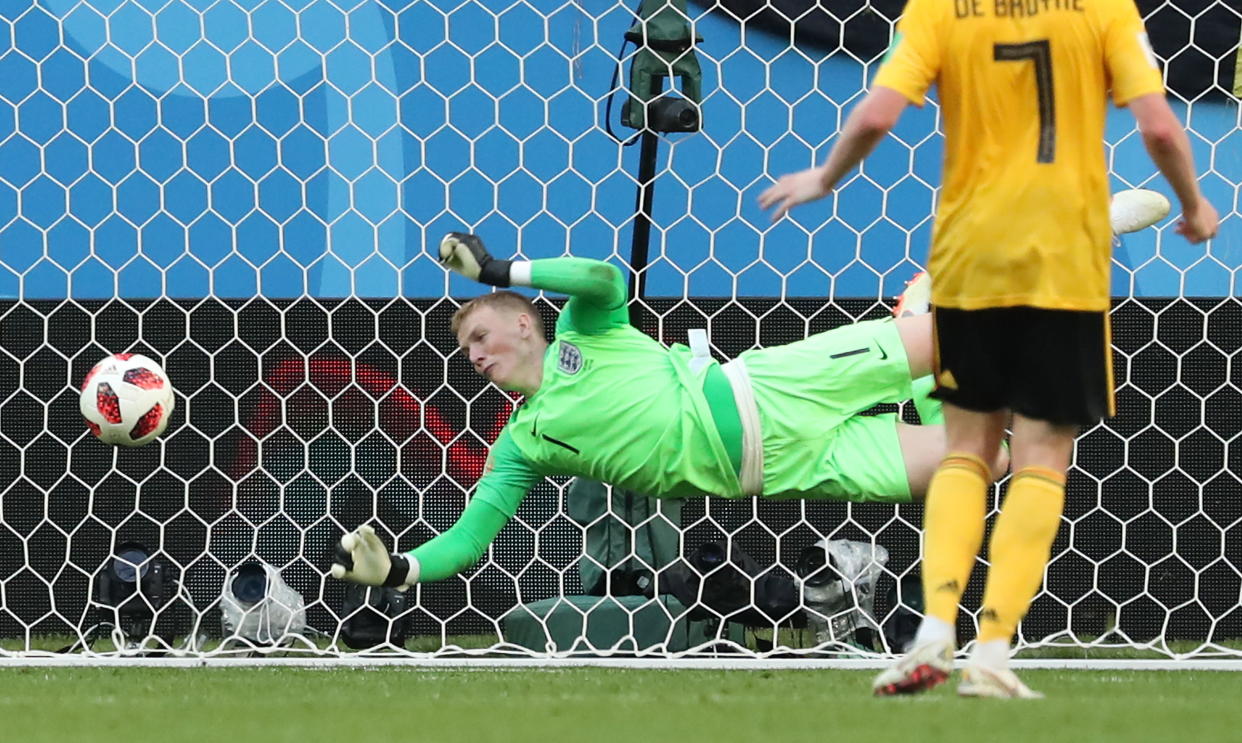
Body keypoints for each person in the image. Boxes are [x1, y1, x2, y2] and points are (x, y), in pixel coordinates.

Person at [760, 0, 1219, 698]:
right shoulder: (1102, 10)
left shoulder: (938, 9)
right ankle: (993, 649)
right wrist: (1193, 204)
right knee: (1038, 459)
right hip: (1063, 261)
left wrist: (825, 179)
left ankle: (935, 629)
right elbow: (1156, 123)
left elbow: (880, 113)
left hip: (968, 256)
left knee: (966, 451)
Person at [330, 232, 1009, 599]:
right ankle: (932, 378)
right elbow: (470, 536)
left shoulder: (582, 329)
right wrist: (400, 570)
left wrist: (503, 268)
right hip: (788, 467)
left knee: (963, 338)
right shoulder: (522, 441)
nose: (472, 356)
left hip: (773, 390)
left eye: (480, 337)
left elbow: (603, 277)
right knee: (990, 460)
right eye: (463, 350)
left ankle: (986, 288)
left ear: (522, 321)